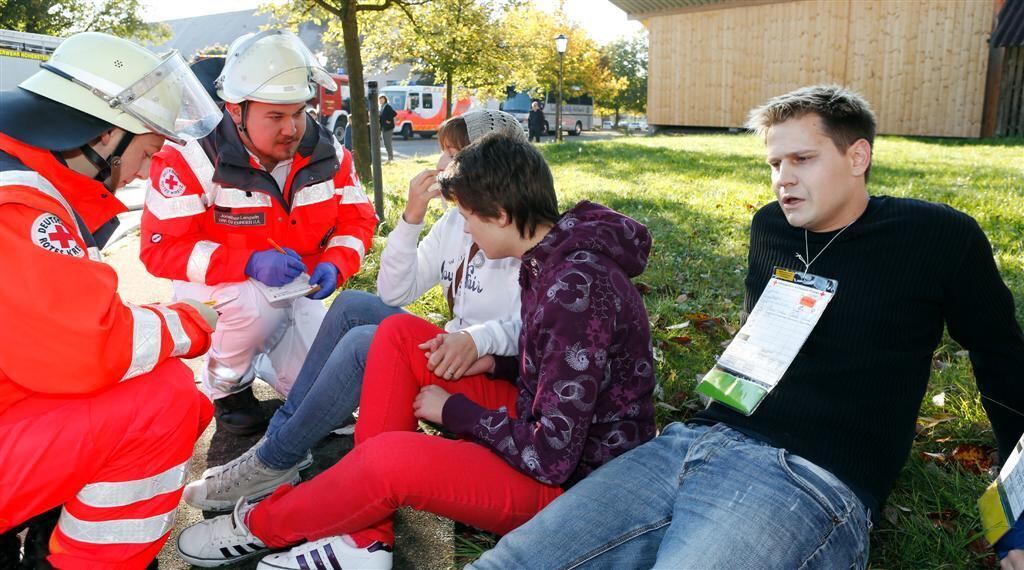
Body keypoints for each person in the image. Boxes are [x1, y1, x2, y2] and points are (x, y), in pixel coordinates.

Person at [466, 85, 1024, 569]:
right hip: (692, 442)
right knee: (510, 562)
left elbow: (1001, 357)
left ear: (858, 156)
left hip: (809, 479)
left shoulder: (938, 237)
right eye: (775, 164)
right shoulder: (771, 229)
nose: (784, 180)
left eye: (802, 159)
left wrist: (1018, 511)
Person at [175, 133, 658, 569]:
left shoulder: (572, 288)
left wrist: (457, 411)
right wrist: (495, 361)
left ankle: (261, 525)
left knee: (387, 461)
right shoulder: (550, 259)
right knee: (396, 335)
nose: (465, 230)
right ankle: (365, 538)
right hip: (540, 426)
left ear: (503, 215)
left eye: (468, 217)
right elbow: (557, 365)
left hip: (576, 486)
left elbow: (551, 455)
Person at [180, 109, 528, 512]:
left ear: (494, 165)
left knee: (367, 342)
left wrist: (474, 337)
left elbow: (536, 331)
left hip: (488, 372)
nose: (441, 166)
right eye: (443, 153)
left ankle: (275, 459)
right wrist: (412, 215)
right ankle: (279, 447)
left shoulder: (519, 229)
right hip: (454, 352)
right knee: (351, 306)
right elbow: (395, 291)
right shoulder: (455, 222)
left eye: (455, 155)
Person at [0, 31, 223, 568]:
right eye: (147, 151)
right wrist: (193, 323)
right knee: (166, 401)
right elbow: (88, 346)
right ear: (103, 136)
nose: (148, 171)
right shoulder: (19, 205)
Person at [139, 30, 378, 436]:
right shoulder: (190, 157)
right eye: (275, 116)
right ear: (236, 111)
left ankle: (265, 362)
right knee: (254, 307)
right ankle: (228, 388)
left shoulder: (329, 155)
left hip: (294, 290)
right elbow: (161, 248)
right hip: (219, 290)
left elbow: (357, 221)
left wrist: (336, 265)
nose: (292, 129)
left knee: (327, 401)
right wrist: (247, 261)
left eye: (298, 112)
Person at [379, 94, 397, 162]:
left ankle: (391, 158)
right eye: (380, 99)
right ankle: (389, 157)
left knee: (387, 143)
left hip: (388, 128)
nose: (381, 100)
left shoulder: (387, 106)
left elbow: (394, 113)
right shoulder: (382, 107)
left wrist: (389, 120)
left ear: (385, 100)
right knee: (386, 143)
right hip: (384, 128)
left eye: (382, 99)